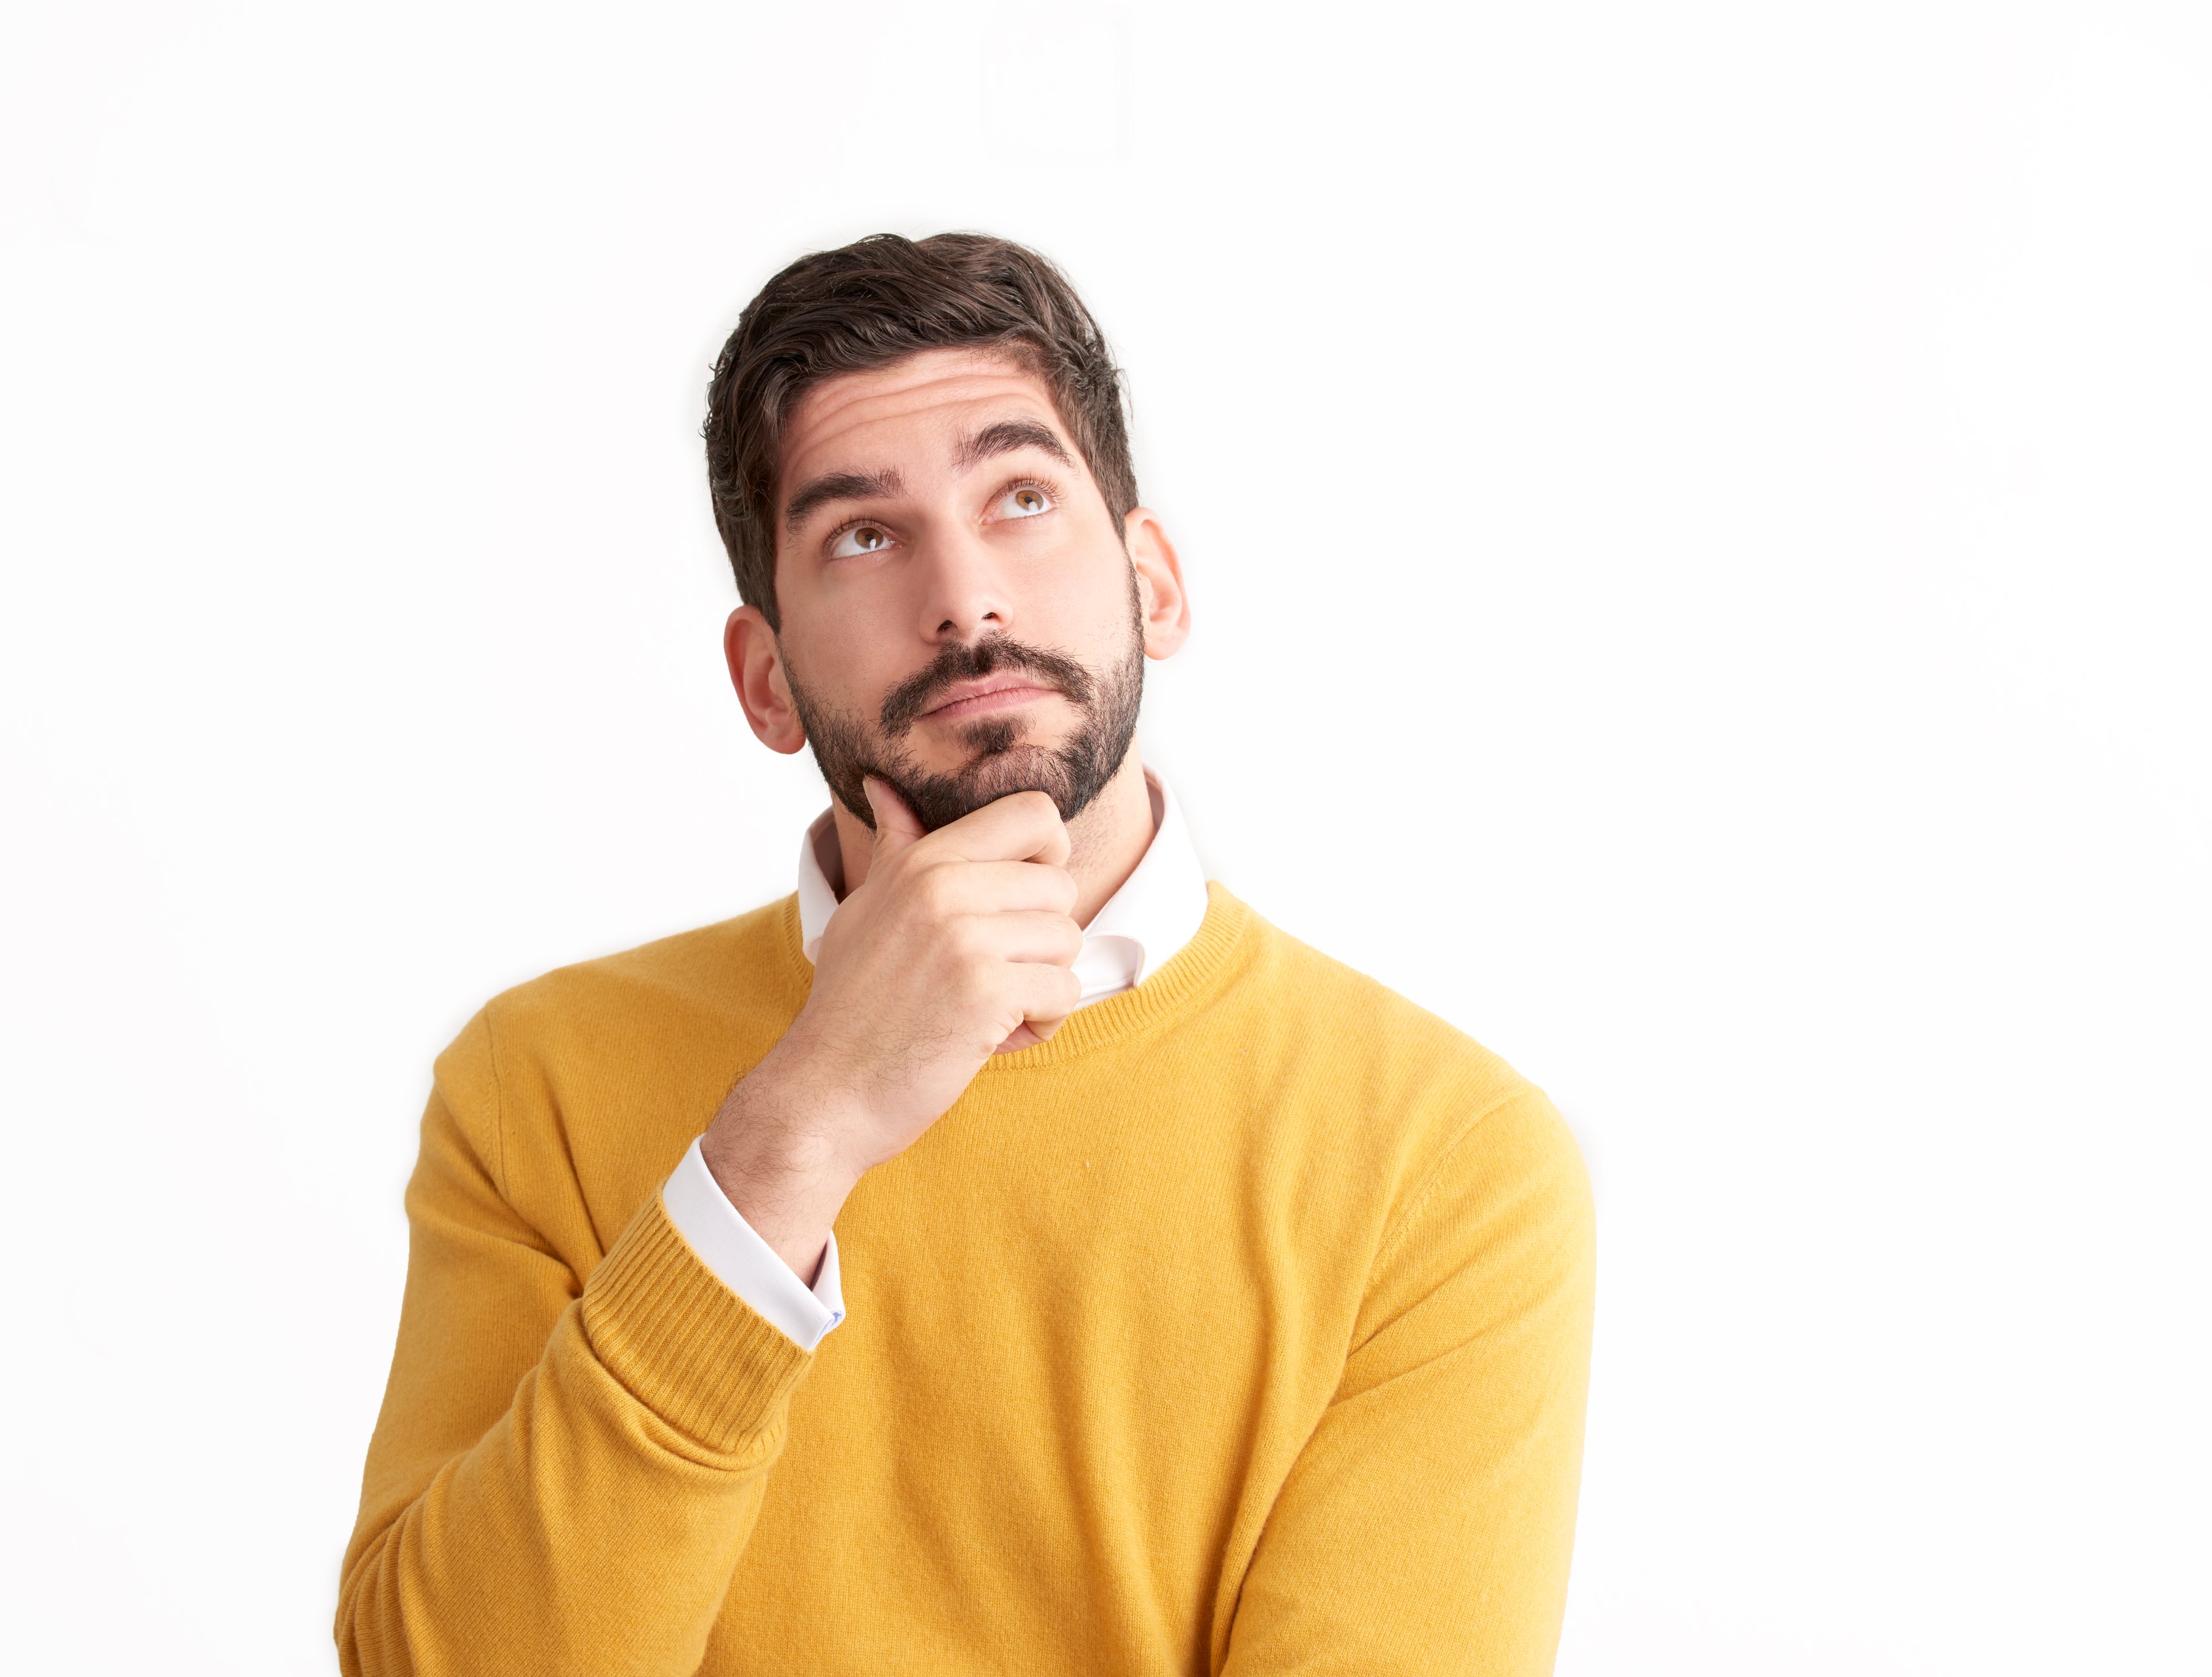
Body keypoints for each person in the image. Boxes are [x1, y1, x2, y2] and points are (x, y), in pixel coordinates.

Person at [336, 233, 1595, 1676]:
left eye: (1022, 499)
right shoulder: (537, 1084)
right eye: (864, 534)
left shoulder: (1447, 1158)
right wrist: (786, 1139)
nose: (966, 596)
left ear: (1155, 587)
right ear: (765, 679)